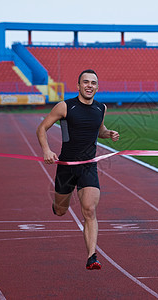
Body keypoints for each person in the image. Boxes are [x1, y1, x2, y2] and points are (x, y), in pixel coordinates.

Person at [36, 69, 119, 270]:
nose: (90, 86)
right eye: (86, 82)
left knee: (89, 210)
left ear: (97, 87)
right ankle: (57, 205)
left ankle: (92, 257)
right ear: (79, 85)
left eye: (93, 83)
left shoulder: (101, 108)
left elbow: (100, 131)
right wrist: (47, 150)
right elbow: (42, 128)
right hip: (66, 167)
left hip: (88, 166)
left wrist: (109, 134)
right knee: (61, 211)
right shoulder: (65, 106)